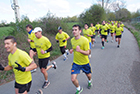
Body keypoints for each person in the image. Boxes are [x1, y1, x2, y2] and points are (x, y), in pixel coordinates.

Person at [70, 24, 92, 94]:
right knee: (73, 79)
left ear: (80, 31)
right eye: (73, 30)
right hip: (76, 63)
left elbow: (88, 52)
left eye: (75, 30)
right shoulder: (72, 40)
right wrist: (72, 50)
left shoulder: (85, 40)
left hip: (85, 62)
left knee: (88, 75)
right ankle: (78, 89)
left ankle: (89, 81)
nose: (74, 31)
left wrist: (80, 51)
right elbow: (75, 48)